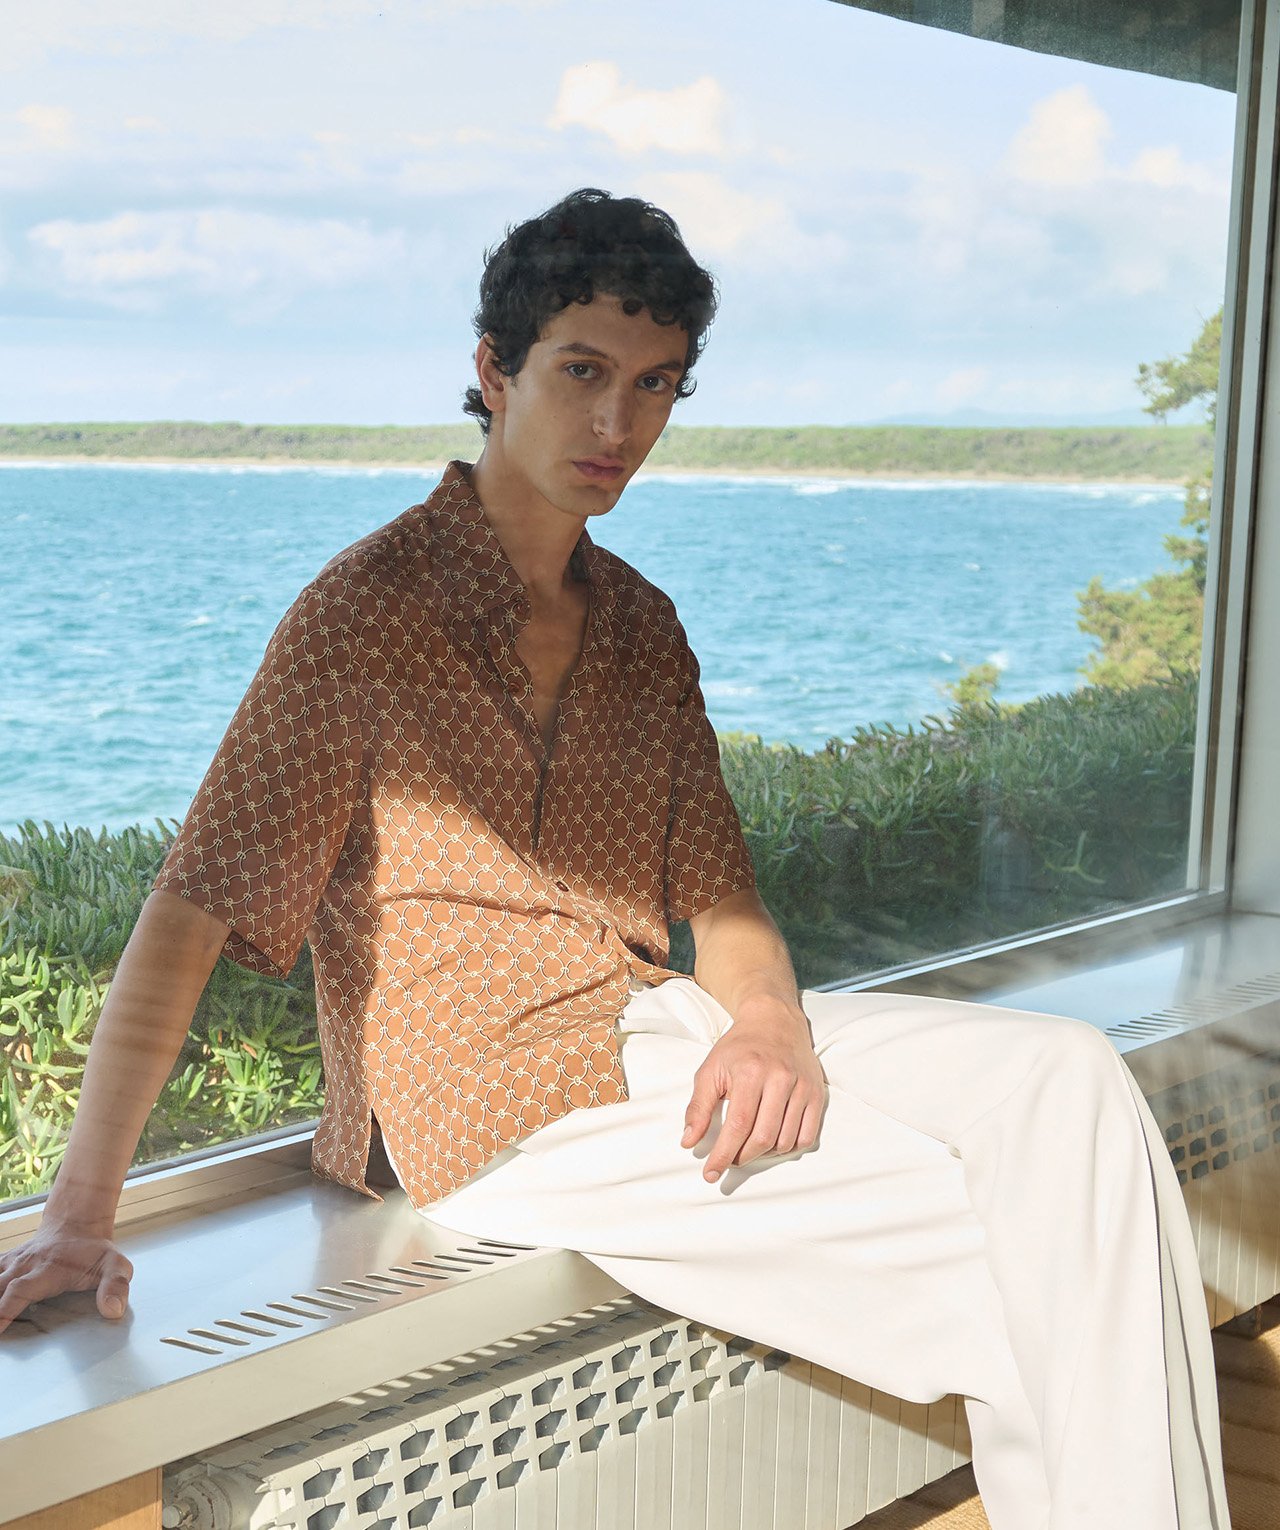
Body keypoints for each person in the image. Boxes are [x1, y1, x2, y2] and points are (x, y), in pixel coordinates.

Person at [0, 188, 1230, 1530]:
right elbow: (190, 910)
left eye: (654, 385)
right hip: (483, 1110)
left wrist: (769, 1023)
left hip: (656, 1034)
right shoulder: (362, 616)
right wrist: (78, 1215)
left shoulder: (643, 626)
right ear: (495, 370)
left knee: (1069, 1079)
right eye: (582, 373)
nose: (618, 426)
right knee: (1024, 1244)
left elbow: (723, 900)